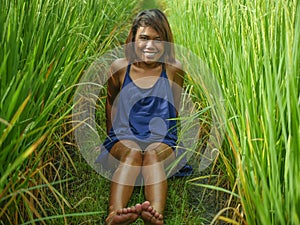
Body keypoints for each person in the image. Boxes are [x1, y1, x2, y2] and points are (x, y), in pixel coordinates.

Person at [97, 9, 185, 225]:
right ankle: (114, 214)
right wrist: (113, 137)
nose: (150, 45)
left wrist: (168, 141)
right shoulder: (119, 68)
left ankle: (154, 214)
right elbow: (111, 100)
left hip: (161, 140)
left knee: (153, 155)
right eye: (144, 38)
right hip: (125, 136)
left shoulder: (173, 69)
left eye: (158, 40)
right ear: (133, 38)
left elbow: (175, 109)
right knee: (133, 153)